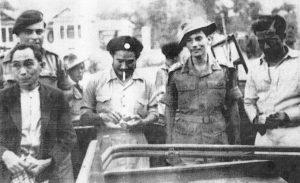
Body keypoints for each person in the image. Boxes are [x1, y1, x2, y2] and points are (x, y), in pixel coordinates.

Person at [163, 17, 242, 164]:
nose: (194, 45)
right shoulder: (176, 74)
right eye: (189, 41)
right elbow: (169, 110)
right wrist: (169, 146)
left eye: (199, 38)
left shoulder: (226, 71)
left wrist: (237, 144)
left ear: (209, 40)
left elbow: (233, 108)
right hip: (186, 143)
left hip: (217, 140)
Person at [0, 43, 76, 183]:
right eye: (16, 65)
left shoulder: (56, 97)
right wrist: (5, 154)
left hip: (46, 173)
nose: (22, 71)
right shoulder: (3, 98)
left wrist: (48, 161)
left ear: (41, 65)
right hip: (10, 173)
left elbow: (68, 137)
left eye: (29, 64)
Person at [81, 36, 158, 170]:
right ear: (112, 57)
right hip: (106, 145)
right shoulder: (96, 82)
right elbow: (84, 115)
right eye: (119, 61)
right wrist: (101, 117)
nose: (124, 66)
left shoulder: (146, 83)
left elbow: (154, 112)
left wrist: (143, 122)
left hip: (137, 145)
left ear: (136, 59)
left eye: (129, 62)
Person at [244, 14, 300, 182]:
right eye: (261, 41)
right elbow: (249, 101)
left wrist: (288, 116)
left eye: (271, 40)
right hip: (265, 145)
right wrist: (255, 119)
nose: (266, 46)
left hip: (294, 145)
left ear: (283, 37)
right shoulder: (254, 68)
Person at [0, 10, 70, 90]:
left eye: (39, 32)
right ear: (18, 34)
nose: (35, 37)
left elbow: (67, 90)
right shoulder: (3, 62)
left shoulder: (54, 59)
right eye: (28, 32)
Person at [145, 42, 182, 167]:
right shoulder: (163, 71)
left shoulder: (163, 71)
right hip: (166, 114)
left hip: (168, 114)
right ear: (176, 57)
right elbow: (160, 94)